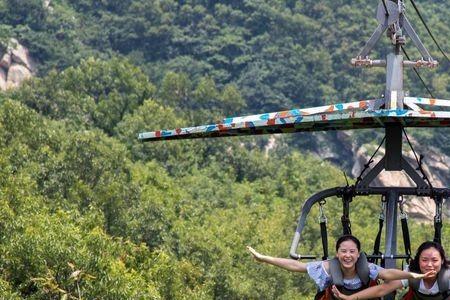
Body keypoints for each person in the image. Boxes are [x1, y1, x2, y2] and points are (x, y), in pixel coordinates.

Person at [248, 235, 433, 300]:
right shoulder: (328, 267)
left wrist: (411, 274)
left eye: (352, 251)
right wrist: (264, 258)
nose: (347, 256)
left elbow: (388, 273)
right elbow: (297, 266)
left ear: (358, 253)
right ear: (337, 253)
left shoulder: (367, 268)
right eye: (343, 251)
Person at [331, 241, 448, 300]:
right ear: (418, 261)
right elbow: (382, 289)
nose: (429, 265)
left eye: (434, 260)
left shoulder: (447, 277)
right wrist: (349, 298)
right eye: (424, 260)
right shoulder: (411, 273)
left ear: (442, 261)